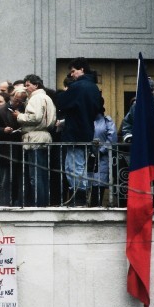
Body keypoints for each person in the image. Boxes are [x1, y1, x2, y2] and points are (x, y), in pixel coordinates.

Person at [54, 57, 101, 206]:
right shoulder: (93, 87)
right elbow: (99, 108)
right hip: (85, 130)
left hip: (75, 132)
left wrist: (61, 94)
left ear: (81, 70)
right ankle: (78, 196)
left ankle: (79, 198)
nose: (71, 74)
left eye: (73, 71)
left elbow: (62, 102)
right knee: (75, 165)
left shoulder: (78, 86)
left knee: (74, 166)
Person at [12, 74, 56, 207]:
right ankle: (42, 203)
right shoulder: (47, 97)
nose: (26, 88)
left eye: (28, 85)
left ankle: (39, 204)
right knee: (41, 175)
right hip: (44, 136)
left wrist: (19, 116)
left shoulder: (36, 98)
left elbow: (35, 117)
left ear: (36, 85)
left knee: (35, 175)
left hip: (35, 138)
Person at [87, 98, 117, 207]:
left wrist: (101, 151)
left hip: (102, 159)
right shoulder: (86, 121)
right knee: (86, 183)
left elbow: (112, 139)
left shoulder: (106, 121)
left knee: (98, 186)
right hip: (88, 158)